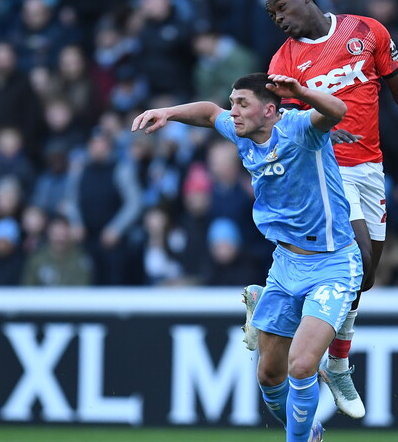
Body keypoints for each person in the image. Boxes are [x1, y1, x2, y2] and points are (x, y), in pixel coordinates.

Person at [261, 0, 398, 419]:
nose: (278, 19)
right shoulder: (284, 60)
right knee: (357, 257)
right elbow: (286, 128)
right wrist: (320, 130)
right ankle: (336, 364)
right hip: (326, 171)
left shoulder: (365, 32)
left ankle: (287, 303)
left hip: (369, 167)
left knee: (366, 276)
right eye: (272, 15)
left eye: (281, 7)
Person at [132, 73, 361, 442]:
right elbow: (210, 113)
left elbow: (337, 110)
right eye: (233, 102)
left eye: (242, 104)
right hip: (285, 265)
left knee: (302, 365)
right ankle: (308, 432)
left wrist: (300, 92)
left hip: (332, 263)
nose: (233, 111)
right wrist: (168, 113)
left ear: (269, 110)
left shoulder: (300, 129)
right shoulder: (242, 131)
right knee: (269, 377)